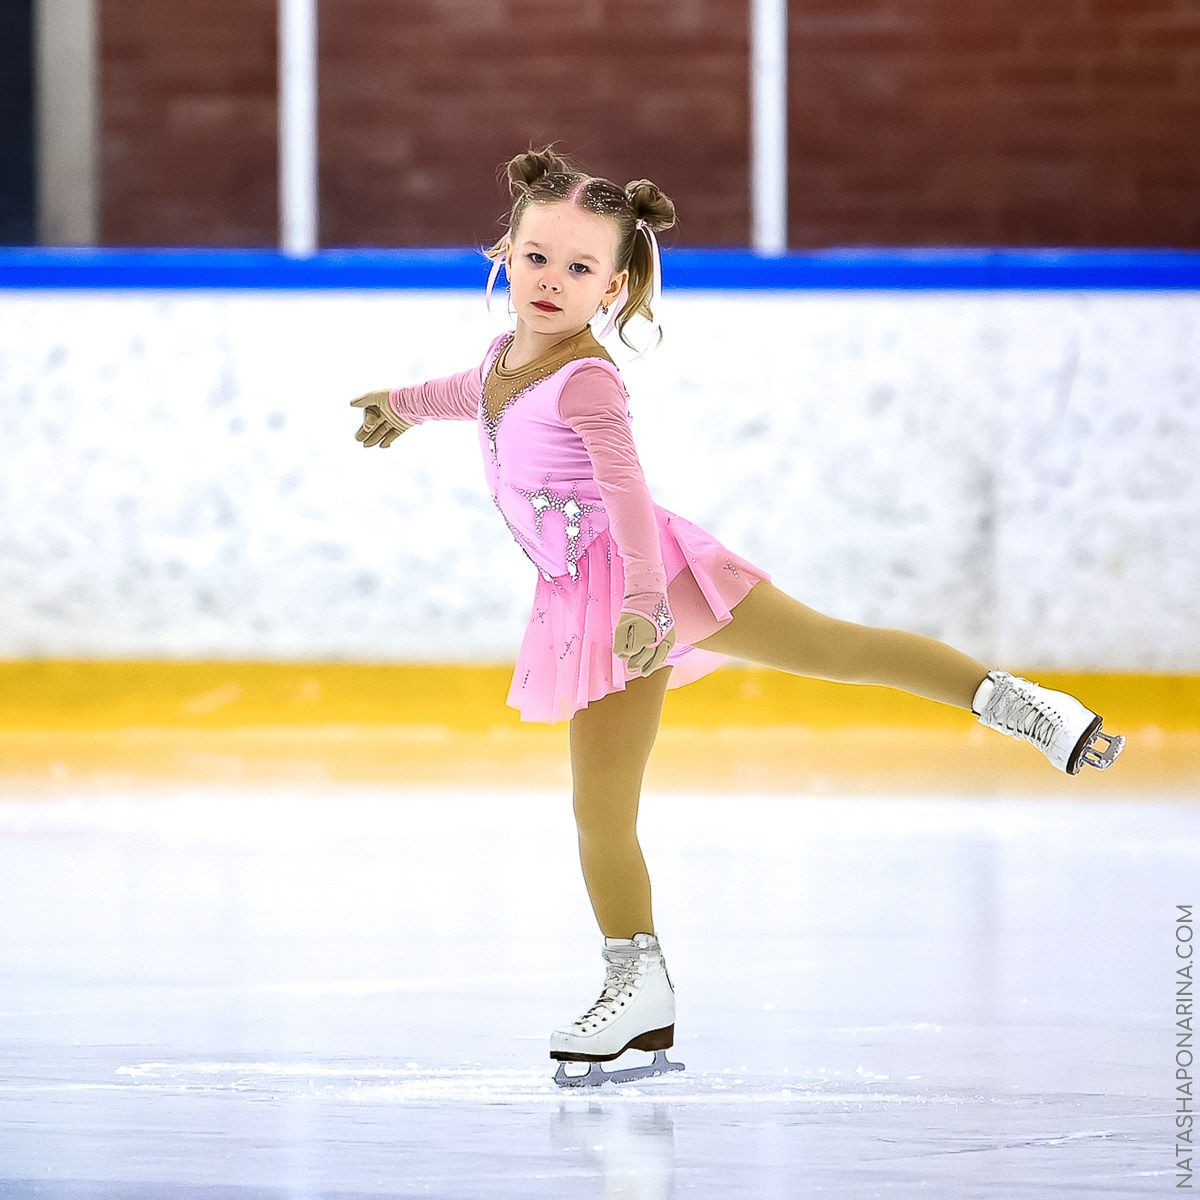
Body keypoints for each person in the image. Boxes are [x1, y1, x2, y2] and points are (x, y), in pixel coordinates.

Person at [349, 147, 1125, 1086]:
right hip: (600, 593)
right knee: (819, 661)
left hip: (630, 589)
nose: (553, 281)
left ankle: (1014, 707)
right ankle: (1012, 706)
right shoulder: (504, 358)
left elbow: (625, 491)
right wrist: (398, 404)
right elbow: (467, 395)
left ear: (617, 286)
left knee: (611, 802)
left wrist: (641, 602)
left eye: (581, 268)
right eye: (537, 258)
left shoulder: (587, 379)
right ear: (502, 254)